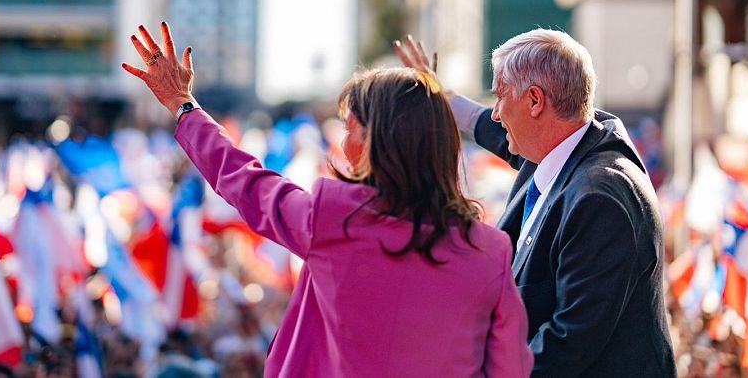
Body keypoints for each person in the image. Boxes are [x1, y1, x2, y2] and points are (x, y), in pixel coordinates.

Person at [122, 23, 534, 377]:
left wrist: (183, 107)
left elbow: (243, 180)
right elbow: (510, 370)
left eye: (349, 127)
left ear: (374, 143)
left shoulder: (333, 219)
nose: (342, 140)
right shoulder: (489, 251)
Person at [395, 30, 676, 377]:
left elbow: (568, 342)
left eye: (500, 97)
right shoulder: (571, 140)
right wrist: (442, 96)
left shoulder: (599, 199)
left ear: (534, 101)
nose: (496, 113)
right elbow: (491, 128)